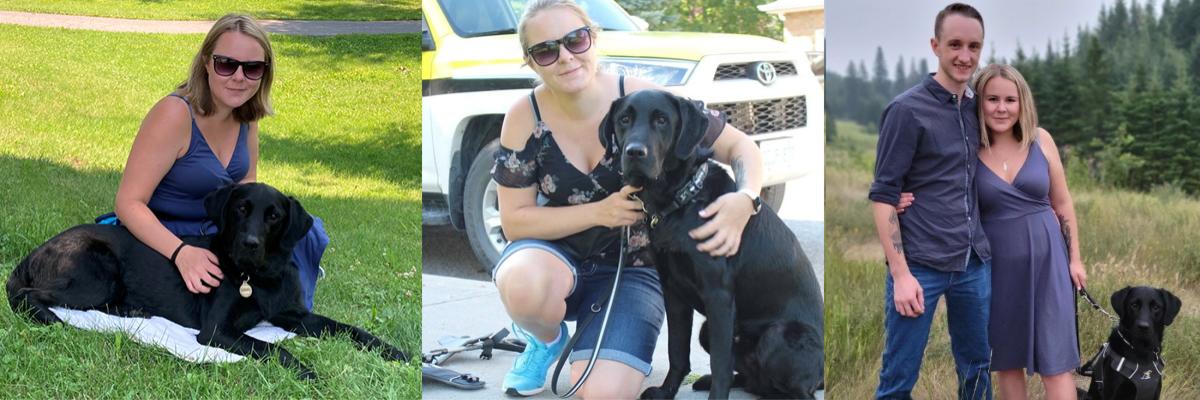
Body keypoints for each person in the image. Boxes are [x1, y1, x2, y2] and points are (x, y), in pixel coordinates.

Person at [490, 0, 766, 397]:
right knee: (524, 283)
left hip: (635, 271)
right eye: (546, 50)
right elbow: (514, 221)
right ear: (531, 62)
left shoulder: (641, 99)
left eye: (575, 40)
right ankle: (543, 339)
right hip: (555, 260)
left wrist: (747, 199)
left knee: (603, 393)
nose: (565, 57)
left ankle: (605, 342)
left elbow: (742, 148)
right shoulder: (524, 115)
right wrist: (599, 212)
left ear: (593, 40)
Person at [104, 14, 328, 311]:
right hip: (168, 232)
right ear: (207, 62)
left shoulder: (247, 115)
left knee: (307, 230)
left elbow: (247, 183)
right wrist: (181, 253)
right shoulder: (174, 115)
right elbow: (128, 203)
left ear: (264, 73)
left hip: (218, 229)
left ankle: (288, 305)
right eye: (226, 64)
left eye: (252, 68)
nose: (238, 77)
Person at [868, 3, 993, 399]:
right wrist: (901, 274)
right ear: (935, 45)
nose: (964, 56)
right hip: (920, 266)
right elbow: (884, 197)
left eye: (974, 46)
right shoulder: (906, 110)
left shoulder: (981, 108)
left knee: (977, 370)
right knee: (899, 377)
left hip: (974, 264)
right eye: (955, 44)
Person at [971, 64, 1086, 400]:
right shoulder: (969, 149)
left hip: (1050, 261)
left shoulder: (1041, 140)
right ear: (979, 102)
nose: (1001, 107)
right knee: (1008, 360)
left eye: (1010, 99)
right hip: (997, 267)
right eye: (992, 99)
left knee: (1056, 363)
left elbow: (1063, 204)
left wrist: (1075, 259)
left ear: (1023, 103)